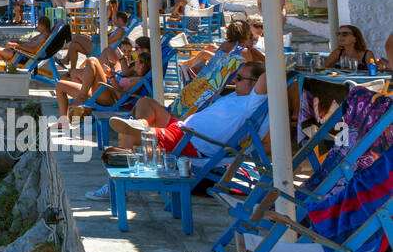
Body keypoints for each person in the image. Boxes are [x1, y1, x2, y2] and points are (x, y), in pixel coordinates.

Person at [84, 63, 269, 200]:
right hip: (182, 128)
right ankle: (140, 124)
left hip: (192, 143)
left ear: (255, 84)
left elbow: (267, 76)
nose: (234, 80)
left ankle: (113, 188)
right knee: (145, 102)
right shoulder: (237, 95)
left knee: (129, 134)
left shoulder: (252, 103)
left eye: (240, 78)